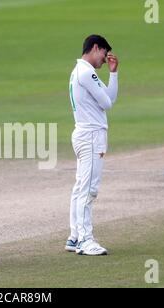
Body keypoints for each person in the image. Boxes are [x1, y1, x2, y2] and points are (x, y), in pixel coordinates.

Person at [65, 34, 119, 256]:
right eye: (104, 54)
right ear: (95, 47)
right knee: (89, 190)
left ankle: (75, 236)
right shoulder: (87, 72)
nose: (104, 60)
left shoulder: (80, 71)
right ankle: (85, 240)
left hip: (84, 133)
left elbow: (110, 100)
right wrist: (109, 77)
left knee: (81, 187)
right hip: (91, 136)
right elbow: (106, 102)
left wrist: (113, 74)